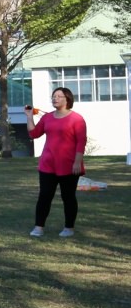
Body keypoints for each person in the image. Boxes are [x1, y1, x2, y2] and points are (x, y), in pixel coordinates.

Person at [26, 87, 87, 238]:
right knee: (45, 196)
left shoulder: (77, 119)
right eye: (54, 96)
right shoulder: (47, 118)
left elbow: (81, 142)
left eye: (59, 96)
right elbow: (34, 134)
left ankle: (69, 228)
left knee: (68, 197)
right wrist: (29, 116)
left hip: (69, 165)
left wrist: (77, 163)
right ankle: (38, 227)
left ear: (67, 99)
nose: (55, 98)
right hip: (48, 164)